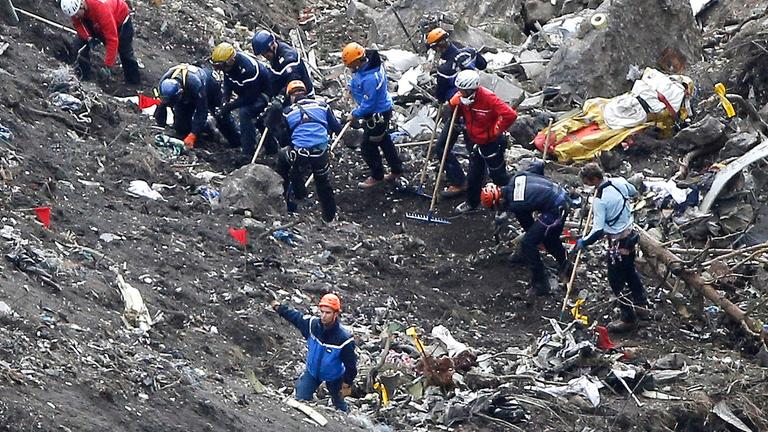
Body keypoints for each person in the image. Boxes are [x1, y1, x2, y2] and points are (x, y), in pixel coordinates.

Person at [575, 163, 648, 333]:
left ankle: (628, 318)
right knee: (630, 272)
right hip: (630, 236)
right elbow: (633, 192)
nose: (587, 185)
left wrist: (584, 242)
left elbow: (598, 229)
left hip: (617, 243)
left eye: (587, 182)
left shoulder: (600, 200)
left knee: (616, 281)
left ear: (594, 179)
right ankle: (641, 304)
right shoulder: (619, 182)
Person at [480, 161, 571, 296]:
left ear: (498, 201)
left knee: (529, 243)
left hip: (557, 207)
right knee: (546, 237)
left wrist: (530, 243)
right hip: (560, 193)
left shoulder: (516, 204)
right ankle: (565, 265)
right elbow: (538, 165)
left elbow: (528, 226)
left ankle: (540, 284)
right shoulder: (516, 178)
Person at [426, 27, 488, 198]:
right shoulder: (469, 52)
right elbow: (483, 65)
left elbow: (440, 93)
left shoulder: (445, 69)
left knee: (442, 147)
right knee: (474, 148)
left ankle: (460, 182)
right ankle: (481, 180)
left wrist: (441, 100)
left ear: (438, 48)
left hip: (458, 111)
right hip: (476, 107)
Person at [271, 293, 357, 412]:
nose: (323, 316)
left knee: (339, 404)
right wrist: (278, 308)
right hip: (312, 372)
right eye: (322, 311)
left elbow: (351, 366)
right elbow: (295, 317)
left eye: (328, 313)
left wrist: (347, 384)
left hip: (334, 376)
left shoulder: (344, 339)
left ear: (335, 314)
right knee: (300, 399)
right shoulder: (312, 325)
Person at [450, 70, 516, 213]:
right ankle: (472, 203)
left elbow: (510, 114)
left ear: (471, 89)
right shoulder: (462, 99)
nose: (460, 92)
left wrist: (495, 130)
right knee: (474, 174)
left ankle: (509, 202)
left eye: (463, 90)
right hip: (476, 141)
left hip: (491, 142)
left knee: (498, 175)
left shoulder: (488, 98)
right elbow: (459, 111)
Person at [276, 80, 342, 222]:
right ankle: (329, 216)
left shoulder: (287, 112)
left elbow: (285, 139)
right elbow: (337, 128)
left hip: (300, 153)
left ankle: (289, 200)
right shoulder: (323, 106)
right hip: (320, 151)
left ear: (291, 96)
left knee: (285, 160)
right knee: (323, 182)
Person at [342, 42, 404, 189]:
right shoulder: (369, 64)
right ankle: (397, 169)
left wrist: (355, 114)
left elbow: (369, 103)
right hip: (381, 110)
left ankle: (377, 176)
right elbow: (358, 79)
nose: (350, 68)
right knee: (384, 140)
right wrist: (351, 87)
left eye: (351, 65)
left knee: (368, 146)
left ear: (358, 61)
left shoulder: (371, 78)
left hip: (377, 115)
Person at [210, 42, 276, 162]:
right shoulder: (228, 68)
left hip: (262, 93)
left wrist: (230, 106)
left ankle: (248, 153)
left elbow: (250, 98)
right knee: (225, 110)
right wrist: (225, 100)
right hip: (246, 92)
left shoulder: (248, 69)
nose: (220, 69)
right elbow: (228, 82)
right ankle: (236, 139)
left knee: (245, 113)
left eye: (220, 66)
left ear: (230, 61)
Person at [154, 63, 240, 149]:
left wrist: (193, 135)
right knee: (181, 127)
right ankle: (207, 127)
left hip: (210, 87)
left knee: (221, 115)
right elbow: (161, 106)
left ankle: (238, 141)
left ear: (180, 92)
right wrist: (161, 126)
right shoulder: (164, 82)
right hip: (187, 94)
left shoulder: (195, 84)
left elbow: (202, 111)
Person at [60, 0, 140, 84]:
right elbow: (78, 24)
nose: (75, 17)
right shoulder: (76, 10)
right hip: (94, 18)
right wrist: (88, 38)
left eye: (76, 14)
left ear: (82, 5)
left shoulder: (101, 9)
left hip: (120, 20)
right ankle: (84, 76)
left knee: (125, 51)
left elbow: (112, 40)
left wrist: (108, 66)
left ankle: (133, 82)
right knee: (79, 44)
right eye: (73, 15)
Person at [251, 29, 314, 97]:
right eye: (262, 54)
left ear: (272, 46)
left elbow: (294, 84)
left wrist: (280, 98)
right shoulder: (276, 54)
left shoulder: (289, 59)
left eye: (266, 53)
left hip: (302, 95)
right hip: (285, 89)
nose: (265, 56)